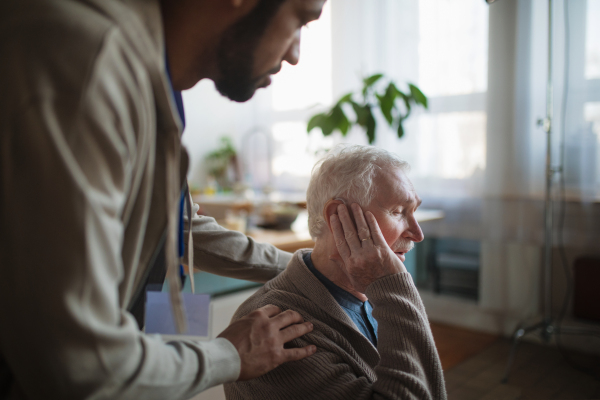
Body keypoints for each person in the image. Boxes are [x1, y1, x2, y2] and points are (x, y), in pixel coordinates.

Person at [0, 0, 327, 398]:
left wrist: (305, 268)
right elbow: (79, 363)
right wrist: (230, 355)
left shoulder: (153, 78)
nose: (294, 54)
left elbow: (181, 222)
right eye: (302, 20)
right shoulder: (92, 61)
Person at [225, 145, 447, 400]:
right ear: (337, 217)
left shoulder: (372, 291)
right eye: (398, 212)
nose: (417, 234)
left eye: (414, 211)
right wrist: (393, 287)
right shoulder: (281, 331)